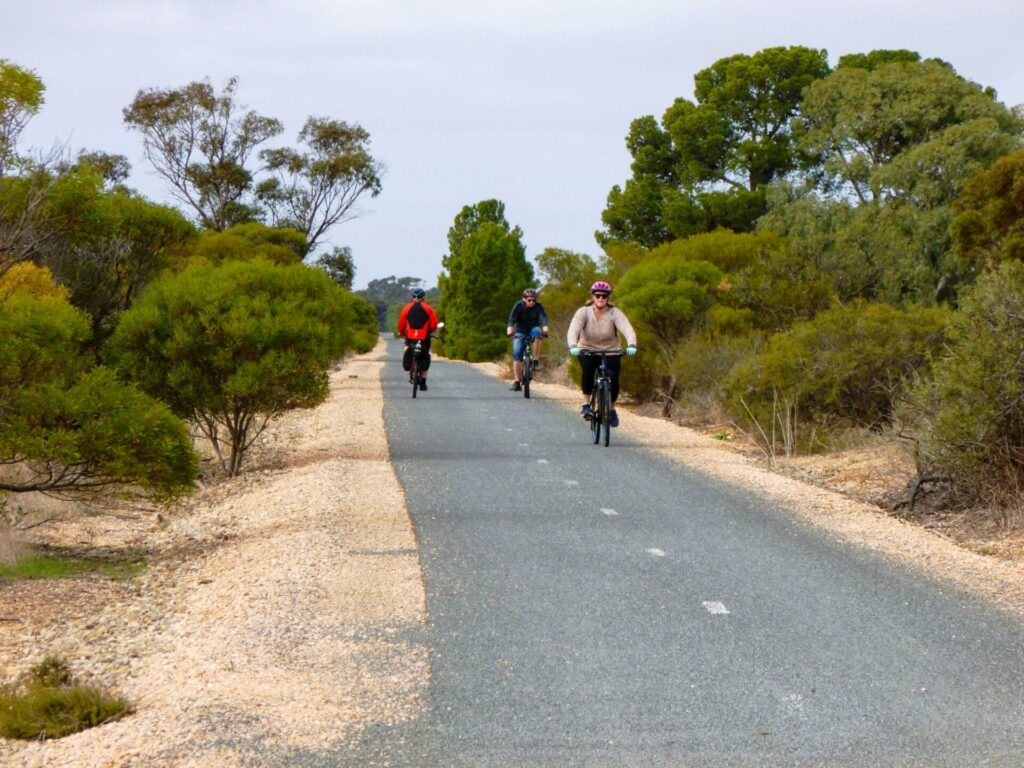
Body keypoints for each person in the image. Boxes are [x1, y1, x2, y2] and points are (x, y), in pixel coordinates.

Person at [566, 280, 637, 427]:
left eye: (604, 296)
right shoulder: (583, 312)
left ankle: (611, 410)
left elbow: (627, 328)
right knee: (588, 371)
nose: (601, 298)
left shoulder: (614, 313)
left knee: (614, 380)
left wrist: (631, 344)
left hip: (611, 351)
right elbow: (573, 329)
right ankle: (586, 405)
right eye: (598, 295)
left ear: (608, 298)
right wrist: (573, 345)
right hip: (587, 349)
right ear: (593, 296)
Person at [506, 288, 549, 391]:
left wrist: (545, 328)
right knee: (517, 355)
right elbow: (512, 318)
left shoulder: (538, 306)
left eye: (534, 300)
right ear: (524, 299)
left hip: (533, 329)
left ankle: (535, 360)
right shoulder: (518, 306)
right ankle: (517, 382)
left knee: (538, 333)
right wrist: (510, 330)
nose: (532, 302)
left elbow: (543, 317)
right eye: (529, 300)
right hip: (520, 331)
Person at [397, 287, 439, 391]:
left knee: (407, 347)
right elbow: (434, 324)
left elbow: (401, 324)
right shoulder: (428, 309)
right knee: (425, 354)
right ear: (423, 297)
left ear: (413, 297)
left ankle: (410, 364)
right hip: (424, 337)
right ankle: (423, 382)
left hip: (410, 337)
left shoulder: (406, 308)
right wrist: (429, 331)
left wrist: (402, 333)